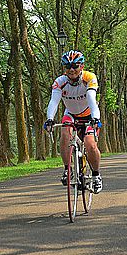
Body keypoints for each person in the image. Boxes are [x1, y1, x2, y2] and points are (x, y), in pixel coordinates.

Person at [43, 50, 103, 194]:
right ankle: (67, 169)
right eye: (67, 66)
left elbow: (91, 99)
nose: (71, 70)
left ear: (81, 66)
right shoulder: (60, 82)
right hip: (70, 114)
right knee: (64, 134)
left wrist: (95, 118)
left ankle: (96, 175)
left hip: (89, 115)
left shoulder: (89, 77)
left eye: (75, 66)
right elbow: (54, 101)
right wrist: (50, 119)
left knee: (90, 144)